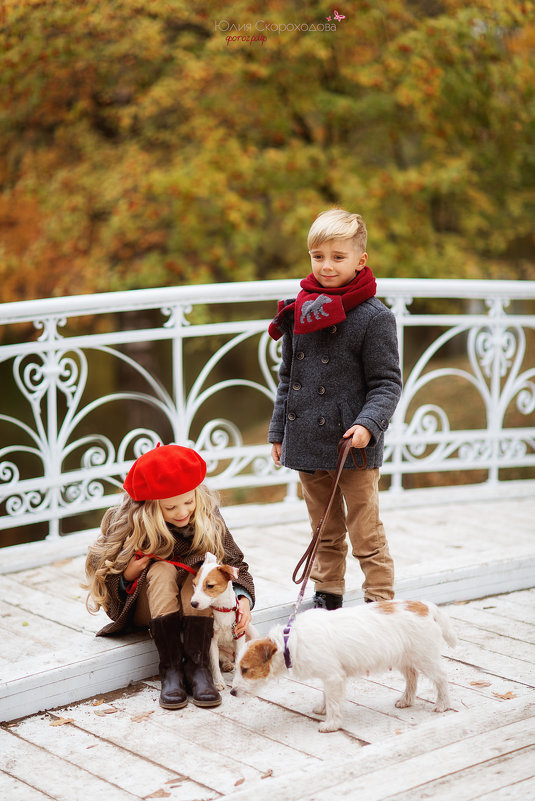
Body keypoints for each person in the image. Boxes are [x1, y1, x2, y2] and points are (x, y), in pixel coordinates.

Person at [268, 208, 402, 610]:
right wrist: (279, 432)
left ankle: (380, 599)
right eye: (318, 256)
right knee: (323, 526)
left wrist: (368, 424)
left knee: (365, 529)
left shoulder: (374, 318)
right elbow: (288, 378)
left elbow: (387, 384)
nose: (326, 266)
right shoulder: (299, 312)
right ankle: (328, 592)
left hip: (353, 444)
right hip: (307, 437)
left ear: (360, 260)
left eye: (338, 257)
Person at [84, 443, 255, 710]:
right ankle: (171, 669)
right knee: (162, 569)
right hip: (149, 606)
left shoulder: (207, 516)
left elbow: (235, 562)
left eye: (189, 501)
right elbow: (104, 577)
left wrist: (242, 599)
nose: (182, 512)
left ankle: (198, 668)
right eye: (170, 507)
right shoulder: (130, 524)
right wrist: (128, 573)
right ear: (151, 507)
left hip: (194, 603)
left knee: (198, 569)